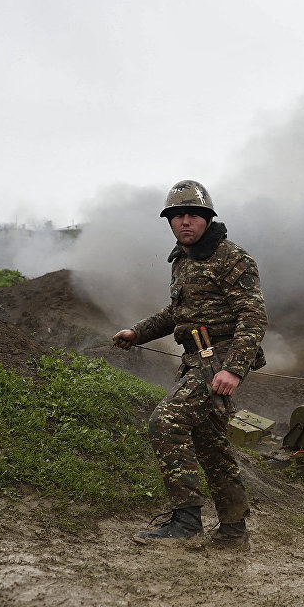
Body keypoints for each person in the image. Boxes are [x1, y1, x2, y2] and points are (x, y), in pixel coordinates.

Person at [112, 179, 267, 548]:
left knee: (165, 422)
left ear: (207, 218)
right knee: (212, 446)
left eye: (194, 215)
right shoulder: (182, 259)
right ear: (169, 221)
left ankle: (186, 521)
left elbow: (253, 315)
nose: (185, 221)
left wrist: (234, 368)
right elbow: (177, 313)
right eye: (177, 215)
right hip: (195, 359)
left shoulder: (232, 257)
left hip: (218, 362)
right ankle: (233, 531)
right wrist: (137, 333)